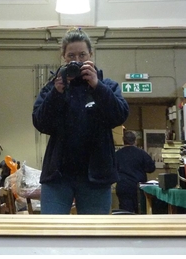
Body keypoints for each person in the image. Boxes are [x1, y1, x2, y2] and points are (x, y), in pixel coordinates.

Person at [32, 28, 129, 214]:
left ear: (91, 55)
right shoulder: (53, 88)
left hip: (97, 176)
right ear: (63, 57)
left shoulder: (107, 86)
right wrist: (56, 93)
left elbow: (119, 115)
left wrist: (97, 86)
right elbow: (40, 123)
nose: (77, 60)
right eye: (71, 56)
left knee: (95, 230)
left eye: (82, 55)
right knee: (52, 228)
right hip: (58, 176)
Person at [115, 130, 156, 213]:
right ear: (135, 141)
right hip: (138, 187)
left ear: (123, 140)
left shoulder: (117, 154)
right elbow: (151, 168)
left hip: (123, 187)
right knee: (140, 212)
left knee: (125, 213)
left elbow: (112, 170)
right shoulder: (142, 153)